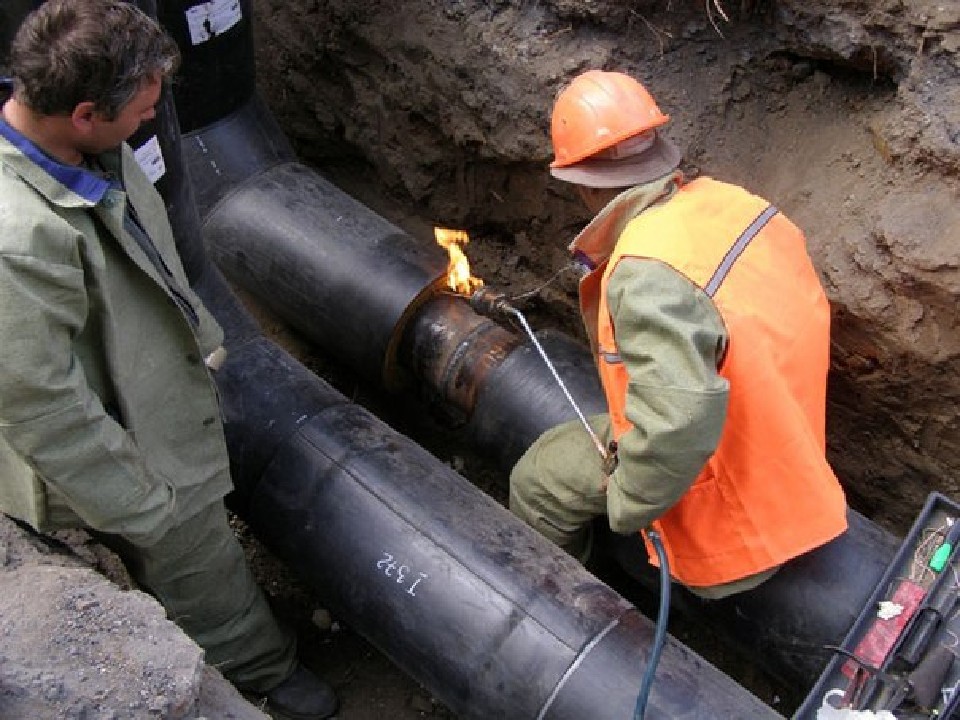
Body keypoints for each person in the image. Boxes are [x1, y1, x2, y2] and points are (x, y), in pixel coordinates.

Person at [0, 2, 336, 717]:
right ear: (85, 112)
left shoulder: (82, 148)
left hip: (150, 391)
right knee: (196, 559)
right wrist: (144, 502)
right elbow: (40, 405)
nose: (153, 123)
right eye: (141, 110)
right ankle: (261, 666)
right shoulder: (17, 241)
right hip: (116, 452)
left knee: (194, 550)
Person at [509, 69, 848, 599]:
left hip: (737, 526)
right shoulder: (737, 206)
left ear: (580, 183)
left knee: (538, 482)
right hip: (790, 458)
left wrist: (625, 504)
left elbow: (678, 424)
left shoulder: (646, 270)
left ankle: (569, 621)